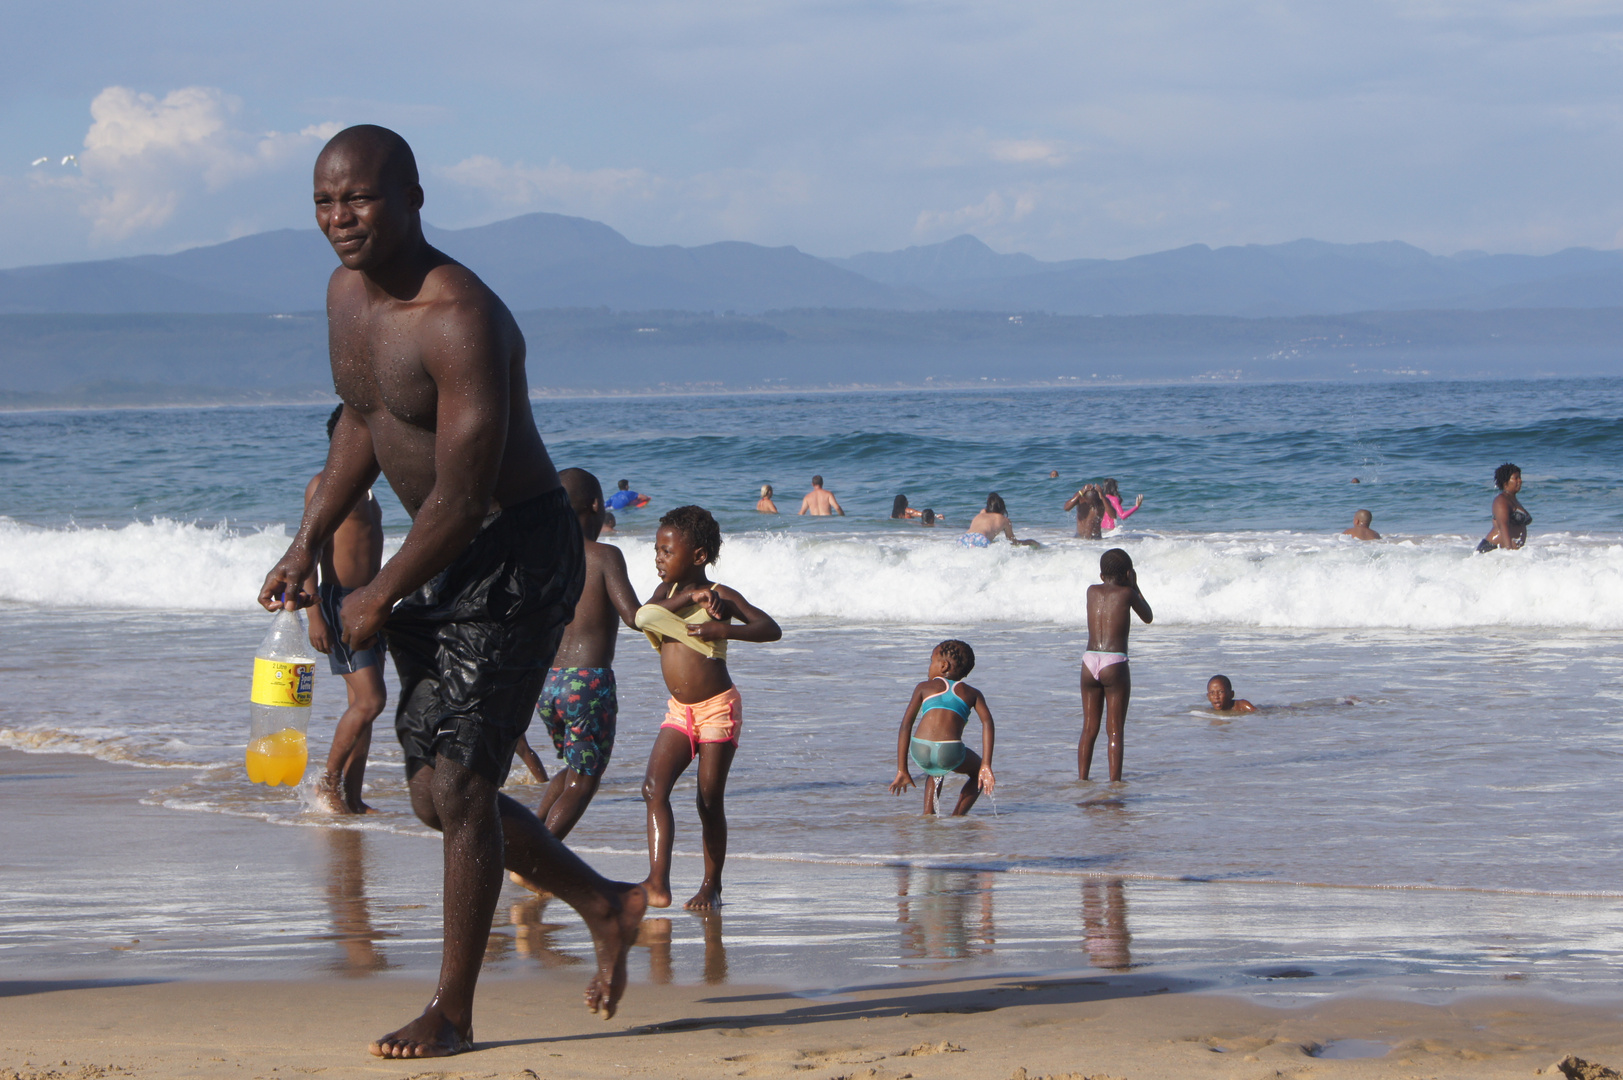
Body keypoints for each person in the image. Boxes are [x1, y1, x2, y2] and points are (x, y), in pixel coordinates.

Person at [256, 126, 643, 1058]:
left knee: (463, 783)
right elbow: (365, 418)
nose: (339, 219)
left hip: (510, 549)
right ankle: (606, 902)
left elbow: (466, 494)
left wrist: (380, 591)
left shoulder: (462, 316)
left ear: (413, 198)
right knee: (434, 794)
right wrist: (306, 543)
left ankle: (454, 1015)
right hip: (435, 560)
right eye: (323, 201)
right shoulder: (345, 297)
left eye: (358, 198)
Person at [635, 505, 781, 911]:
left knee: (708, 799)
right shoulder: (665, 596)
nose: (658, 559)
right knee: (653, 789)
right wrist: (689, 596)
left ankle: (711, 885)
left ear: (698, 556)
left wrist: (722, 627)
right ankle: (657, 882)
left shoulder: (724, 594)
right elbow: (640, 617)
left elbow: (770, 629)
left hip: (717, 708)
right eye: (657, 550)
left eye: (667, 551)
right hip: (678, 712)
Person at [512, 469, 640, 845]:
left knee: (573, 769)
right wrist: (672, 595)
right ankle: (536, 858)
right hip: (588, 684)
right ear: (597, 506)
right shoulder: (605, 556)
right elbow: (634, 616)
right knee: (585, 780)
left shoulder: (542, 559)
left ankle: (528, 833)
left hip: (548, 684)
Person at [301, 404, 388, 815]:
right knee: (371, 701)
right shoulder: (325, 484)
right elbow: (307, 548)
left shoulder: (368, 488)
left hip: (371, 604)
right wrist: (314, 611)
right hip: (340, 603)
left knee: (363, 706)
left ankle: (352, 797)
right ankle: (327, 783)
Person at [887, 639, 996, 816]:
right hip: (950, 750)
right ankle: (958, 816)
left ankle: (928, 815)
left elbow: (906, 725)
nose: (929, 666)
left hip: (920, 748)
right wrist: (986, 765)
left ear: (943, 665)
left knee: (935, 769)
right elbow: (988, 723)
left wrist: (902, 769)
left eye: (931, 661)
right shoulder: (972, 693)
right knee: (977, 773)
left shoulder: (923, 687)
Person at [1079, 548, 1153, 781]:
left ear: (1102, 575)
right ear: (1128, 574)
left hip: (1089, 660)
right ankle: (1114, 783)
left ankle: (1082, 780)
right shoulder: (1127, 593)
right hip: (1114, 661)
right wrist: (1135, 587)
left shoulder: (1091, 591)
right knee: (1115, 730)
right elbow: (1148, 616)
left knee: (1089, 728)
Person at [1477, 462, 1531, 553]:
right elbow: (1503, 527)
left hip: (1503, 550)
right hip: (1492, 550)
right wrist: (1509, 552)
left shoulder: (1513, 500)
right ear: (1505, 483)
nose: (1520, 481)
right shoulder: (1501, 501)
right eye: (1516, 478)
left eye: (1520, 477)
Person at [960, 492, 1040, 548]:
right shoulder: (1004, 520)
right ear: (1003, 509)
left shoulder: (981, 515)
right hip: (981, 539)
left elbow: (984, 510)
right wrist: (1029, 542)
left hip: (963, 538)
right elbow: (1013, 542)